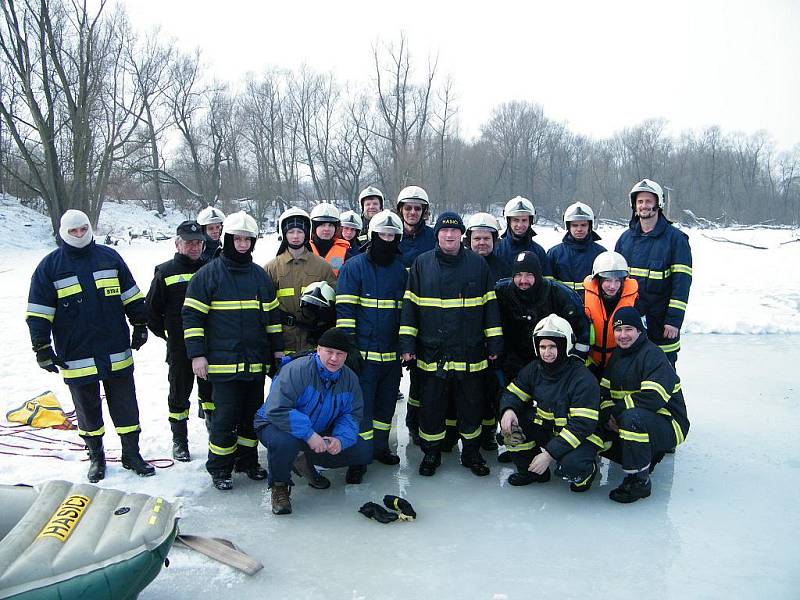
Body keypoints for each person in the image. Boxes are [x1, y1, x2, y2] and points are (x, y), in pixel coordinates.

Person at [26, 210, 154, 482]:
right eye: (74, 231)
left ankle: (132, 454)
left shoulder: (110, 258)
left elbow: (131, 295)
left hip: (115, 348)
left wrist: (140, 324)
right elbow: (38, 312)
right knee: (87, 408)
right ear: (64, 232)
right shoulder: (50, 267)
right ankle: (96, 456)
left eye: (84, 229)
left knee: (126, 405)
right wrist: (42, 348)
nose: (80, 235)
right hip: (76, 353)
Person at [182, 211, 285, 490]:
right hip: (221, 366)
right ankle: (220, 469)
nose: (242, 244)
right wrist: (197, 355)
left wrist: (276, 354)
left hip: (253, 364)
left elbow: (273, 321)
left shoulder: (260, 277)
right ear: (227, 239)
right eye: (237, 239)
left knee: (252, 417)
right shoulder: (207, 276)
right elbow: (192, 319)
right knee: (225, 419)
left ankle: (248, 462)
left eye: (247, 240)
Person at [400, 212, 503, 477]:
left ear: (462, 236)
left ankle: (471, 453)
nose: (449, 236)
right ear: (437, 236)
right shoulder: (422, 264)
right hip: (433, 352)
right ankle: (431, 453)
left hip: (470, 352)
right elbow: (410, 308)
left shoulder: (478, 265)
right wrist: (407, 344)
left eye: (455, 232)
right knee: (432, 407)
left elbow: (490, 307)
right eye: (444, 232)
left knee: (471, 406)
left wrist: (494, 344)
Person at [254, 328, 371, 515]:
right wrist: (309, 434)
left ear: (346, 356)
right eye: (329, 352)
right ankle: (279, 487)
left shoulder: (349, 379)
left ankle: (303, 459)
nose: (334, 358)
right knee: (285, 443)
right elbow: (277, 409)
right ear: (318, 350)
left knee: (362, 451)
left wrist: (340, 440)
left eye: (340, 354)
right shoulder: (297, 370)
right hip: (274, 424)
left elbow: (351, 415)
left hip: (316, 430)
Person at [336, 210, 408, 483]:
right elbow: (344, 311)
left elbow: (405, 313)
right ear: (372, 236)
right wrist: (348, 349)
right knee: (361, 411)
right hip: (362, 357)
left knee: (385, 408)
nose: (387, 240)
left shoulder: (401, 272)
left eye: (392, 236)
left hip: (390, 358)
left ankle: (380, 448)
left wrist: (406, 347)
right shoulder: (353, 267)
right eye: (382, 235)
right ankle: (359, 458)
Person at [498, 314, 602, 490]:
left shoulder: (582, 378)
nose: (547, 352)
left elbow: (582, 425)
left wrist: (549, 455)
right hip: (547, 429)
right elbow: (514, 392)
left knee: (571, 465)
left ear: (565, 346)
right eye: (543, 346)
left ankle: (586, 472)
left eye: (553, 346)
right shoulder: (534, 369)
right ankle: (529, 471)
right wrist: (508, 410)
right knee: (510, 428)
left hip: (578, 437)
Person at [599, 307, 690, 503]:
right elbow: (604, 391)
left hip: (671, 423)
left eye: (629, 329)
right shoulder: (617, 356)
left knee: (633, 418)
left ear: (640, 331)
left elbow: (653, 397)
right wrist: (607, 415)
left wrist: (617, 412)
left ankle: (639, 481)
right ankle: (647, 455)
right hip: (637, 419)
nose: (623, 335)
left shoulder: (653, 354)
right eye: (618, 330)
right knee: (597, 421)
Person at [145, 220, 213, 462]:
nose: (194, 247)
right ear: (177, 244)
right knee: (179, 394)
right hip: (179, 347)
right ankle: (180, 440)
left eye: (198, 243)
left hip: (210, 345)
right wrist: (168, 334)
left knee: (211, 395)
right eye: (189, 243)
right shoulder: (165, 272)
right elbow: (151, 312)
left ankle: (214, 435)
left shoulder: (212, 268)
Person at [615, 179, 692, 366]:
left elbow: (681, 284)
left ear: (659, 204)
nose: (644, 206)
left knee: (664, 374)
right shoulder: (625, 239)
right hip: (632, 323)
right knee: (631, 370)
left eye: (649, 201)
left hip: (662, 323)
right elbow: (615, 282)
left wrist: (674, 320)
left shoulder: (676, 240)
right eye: (640, 201)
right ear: (634, 205)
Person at [495, 251, 590, 382]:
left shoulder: (560, 295)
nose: (523, 280)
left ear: (538, 275)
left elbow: (582, 332)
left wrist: (574, 362)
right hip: (513, 364)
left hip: (552, 364)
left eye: (529, 275)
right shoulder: (501, 292)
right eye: (518, 275)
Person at [463, 212, 511, 451]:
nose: (482, 242)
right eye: (477, 238)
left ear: (495, 240)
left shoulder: (504, 268)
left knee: (494, 389)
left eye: (486, 238)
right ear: (468, 239)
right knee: (469, 392)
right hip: (466, 341)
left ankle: (490, 431)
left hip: (495, 342)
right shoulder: (460, 265)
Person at [395, 185, 436, 444]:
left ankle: (417, 423)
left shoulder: (433, 238)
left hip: (427, 313)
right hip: (395, 312)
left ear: (424, 212)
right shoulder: (390, 234)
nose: (412, 212)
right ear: (400, 210)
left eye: (417, 208)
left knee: (423, 375)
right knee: (394, 375)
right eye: (408, 208)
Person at [265, 207, 336, 355]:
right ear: (284, 234)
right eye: (291, 232)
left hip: (313, 342)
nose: (295, 236)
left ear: (306, 234)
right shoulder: (272, 268)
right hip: (284, 342)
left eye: (300, 231)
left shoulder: (322, 266)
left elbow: (333, 305)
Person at [582, 251, 639, 377]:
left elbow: (642, 337)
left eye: (617, 281)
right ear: (598, 280)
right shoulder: (583, 299)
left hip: (622, 363)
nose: (612, 286)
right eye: (607, 280)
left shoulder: (636, 302)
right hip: (590, 362)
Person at [546, 202, 605, 294]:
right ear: (568, 226)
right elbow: (547, 286)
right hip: (563, 305)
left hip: (592, 305)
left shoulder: (601, 254)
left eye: (583, 225)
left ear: (590, 226)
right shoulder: (555, 253)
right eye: (575, 225)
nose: (579, 229)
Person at [494, 196, 548, 270]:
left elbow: (546, 279)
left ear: (530, 221)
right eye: (516, 220)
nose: (520, 225)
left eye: (524, 220)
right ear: (509, 221)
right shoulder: (497, 249)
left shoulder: (538, 251)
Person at [309, 202, 351, 276]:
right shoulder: (304, 249)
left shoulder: (346, 253)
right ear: (314, 227)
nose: (327, 229)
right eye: (322, 225)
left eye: (331, 225)